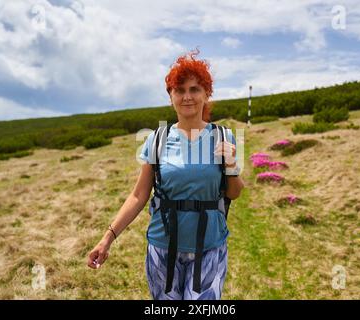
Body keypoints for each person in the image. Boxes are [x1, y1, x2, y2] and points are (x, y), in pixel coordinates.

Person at [87, 49, 245, 300]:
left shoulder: (224, 136)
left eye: (194, 89)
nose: (187, 97)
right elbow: (138, 196)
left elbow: (234, 192)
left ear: (206, 94)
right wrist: (107, 239)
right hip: (162, 248)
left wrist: (231, 166)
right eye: (179, 90)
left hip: (209, 247)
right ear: (170, 96)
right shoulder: (157, 139)